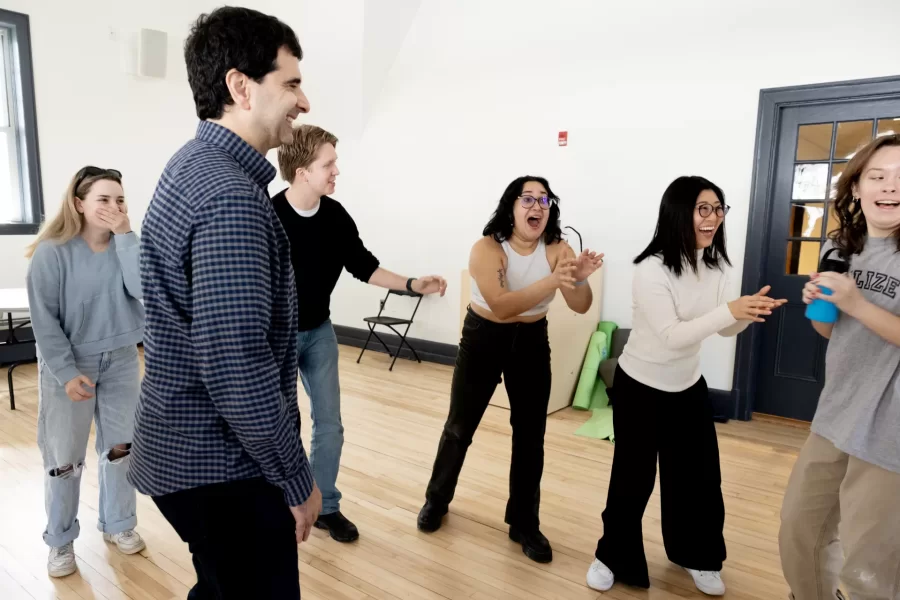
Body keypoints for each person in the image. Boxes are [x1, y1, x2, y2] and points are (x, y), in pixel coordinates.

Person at [128, 8, 320, 599]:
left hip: (188, 456)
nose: (304, 101)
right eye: (291, 83)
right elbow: (237, 366)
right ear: (241, 86)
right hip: (220, 467)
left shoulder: (192, 164)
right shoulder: (230, 197)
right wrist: (297, 478)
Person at [586, 176, 786, 595]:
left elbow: (724, 329)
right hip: (640, 386)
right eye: (703, 209)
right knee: (632, 479)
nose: (713, 218)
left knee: (698, 480)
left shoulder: (716, 266)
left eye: (718, 208)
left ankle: (696, 555)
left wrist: (747, 313)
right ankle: (611, 556)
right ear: (679, 213)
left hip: (687, 386)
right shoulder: (651, 269)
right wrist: (730, 310)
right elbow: (672, 335)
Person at [272, 125, 447, 542]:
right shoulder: (268, 214)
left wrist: (412, 284)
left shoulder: (334, 215)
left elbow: (363, 265)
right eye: (328, 164)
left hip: (318, 332)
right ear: (302, 172)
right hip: (275, 338)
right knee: (280, 427)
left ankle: (326, 506)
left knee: (329, 425)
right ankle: (283, 505)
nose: (336, 171)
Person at [417, 176, 603, 563]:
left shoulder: (558, 249)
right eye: (528, 199)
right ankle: (436, 500)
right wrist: (553, 280)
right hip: (484, 337)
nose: (537, 206)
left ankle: (524, 523)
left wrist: (580, 279)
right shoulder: (487, 248)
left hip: (532, 341)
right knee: (459, 427)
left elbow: (581, 305)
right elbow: (501, 306)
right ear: (511, 207)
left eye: (544, 200)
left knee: (531, 435)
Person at [780, 133, 900, 600]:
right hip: (836, 413)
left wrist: (857, 304)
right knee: (800, 532)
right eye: (877, 176)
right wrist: (821, 304)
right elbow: (834, 333)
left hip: (889, 432)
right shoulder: (841, 247)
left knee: (867, 567)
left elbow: (859, 312)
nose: (890, 186)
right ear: (856, 187)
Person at [25, 167, 146, 578]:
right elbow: (44, 321)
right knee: (64, 460)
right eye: (103, 199)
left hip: (121, 360)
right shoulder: (51, 252)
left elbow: (144, 290)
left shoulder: (127, 244)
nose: (114, 207)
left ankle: (119, 523)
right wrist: (65, 371)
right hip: (71, 365)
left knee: (122, 449)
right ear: (79, 204)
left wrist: (126, 235)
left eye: (120, 199)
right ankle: (60, 541)